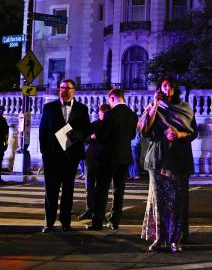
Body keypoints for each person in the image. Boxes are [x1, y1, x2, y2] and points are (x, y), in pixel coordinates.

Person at [140, 77, 198, 253]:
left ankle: (175, 239)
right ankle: (160, 237)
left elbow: (193, 132)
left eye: (171, 86)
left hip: (179, 159)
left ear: (175, 89)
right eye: (165, 86)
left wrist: (179, 134)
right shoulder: (153, 108)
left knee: (177, 201)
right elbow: (144, 131)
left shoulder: (185, 108)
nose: (168, 89)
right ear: (159, 89)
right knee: (159, 202)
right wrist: (154, 106)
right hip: (158, 158)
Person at [39, 78, 90, 233]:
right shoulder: (49, 107)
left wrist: (76, 136)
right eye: (62, 88)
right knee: (51, 191)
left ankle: (66, 222)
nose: (64, 90)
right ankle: (49, 222)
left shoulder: (82, 108)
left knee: (68, 191)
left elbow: (86, 130)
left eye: (68, 88)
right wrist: (45, 151)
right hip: (52, 157)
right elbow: (42, 131)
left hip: (71, 157)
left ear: (74, 91)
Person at [87, 88, 138, 231]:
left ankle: (97, 222)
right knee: (118, 191)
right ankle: (114, 221)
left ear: (113, 98)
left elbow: (103, 134)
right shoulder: (132, 115)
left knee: (101, 190)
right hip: (124, 157)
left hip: (108, 158)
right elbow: (132, 136)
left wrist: (95, 137)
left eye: (109, 100)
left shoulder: (110, 114)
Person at [77, 103, 110, 221]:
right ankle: (89, 209)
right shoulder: (93, 125)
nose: (102, 116)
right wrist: (91, 137)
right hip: (91, 159)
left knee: (101, 188)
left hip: (104, 160)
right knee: (89, 187)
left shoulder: (110, 126)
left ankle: (100, 211)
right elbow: (85, 140)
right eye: (101, 114)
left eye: (105, 114)